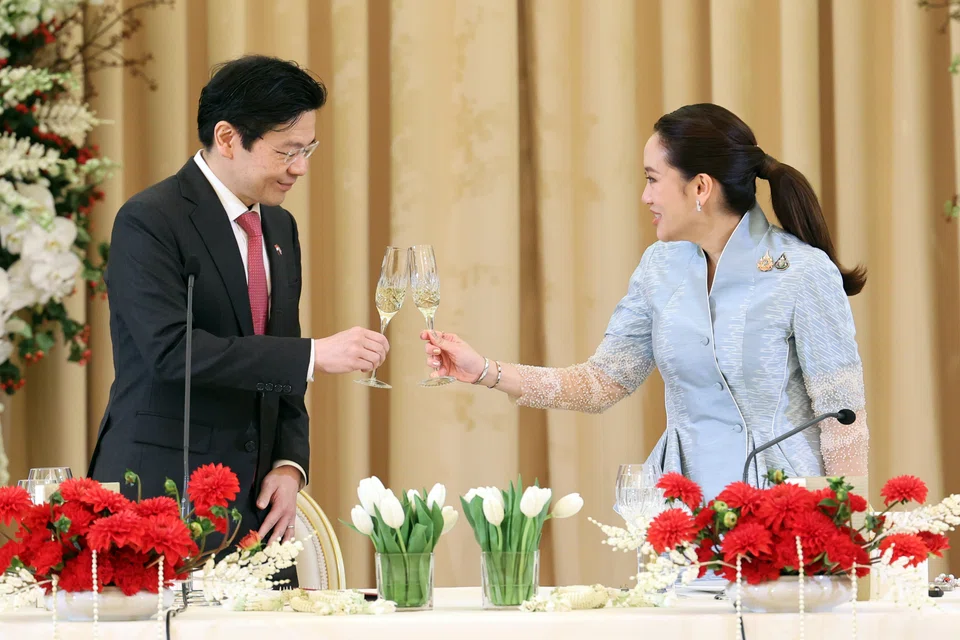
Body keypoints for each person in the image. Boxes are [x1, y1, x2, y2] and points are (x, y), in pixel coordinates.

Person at [421, 103, 869, 501]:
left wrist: (845, 539)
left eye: (653, 180)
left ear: (700, 188)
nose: (645, 196)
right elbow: (602, 383)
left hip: (784, 517)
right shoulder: (659, 267)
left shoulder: (803, 273)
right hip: (684, 513)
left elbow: (842, 423)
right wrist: (483, 370)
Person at [88, 55, 389, 556]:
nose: (302, 167)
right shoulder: (149, 220)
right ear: (227, 138)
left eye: (308, 148)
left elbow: (278, 358)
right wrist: (314, 355)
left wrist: (291, 464)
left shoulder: (278, 226)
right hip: (160, 495)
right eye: (287, 151)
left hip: (256, 507)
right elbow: (170, 353)